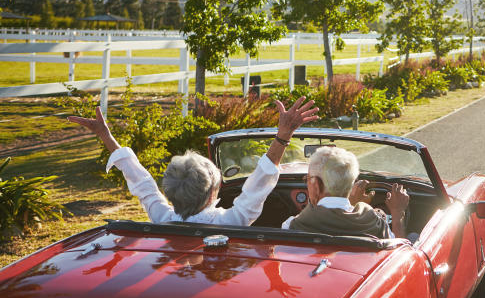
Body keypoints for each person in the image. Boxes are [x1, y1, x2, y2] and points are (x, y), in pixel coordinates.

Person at [68, 97, 319, 226]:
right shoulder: (231, 222)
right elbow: (259, 184)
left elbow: (142, 182)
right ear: (212, 194)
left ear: (171, 193)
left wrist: (107, 137)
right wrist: (283, 135)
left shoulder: (162, 218)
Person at [281, 146, 409, 239]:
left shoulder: (292, 226)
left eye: (308, 179)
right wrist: (398, 215)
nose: (307, 183)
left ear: (316, 185)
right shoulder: (376, 224)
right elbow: (400, 251)